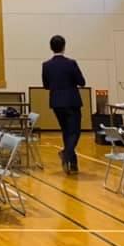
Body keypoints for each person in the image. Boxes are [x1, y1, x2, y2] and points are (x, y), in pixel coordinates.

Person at [41, 35, 86, 174]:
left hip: (56, 102)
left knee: (66, 131)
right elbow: (82, 82)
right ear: (64, 46)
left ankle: (73, 164)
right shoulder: (71, 63)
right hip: (71, 102)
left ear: (51, 47)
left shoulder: (46, 65)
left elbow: (46, 85)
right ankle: (66, 153)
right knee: (75, 132)